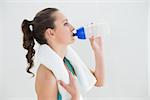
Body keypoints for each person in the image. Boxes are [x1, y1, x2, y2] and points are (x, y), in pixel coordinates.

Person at [21, 8, 104, 100]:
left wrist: (98, 51)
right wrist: (75, 96)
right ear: (51, 33)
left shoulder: (67, 62)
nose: (72, 28)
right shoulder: (47, 75)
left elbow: (99, 82)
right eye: (65, 23)